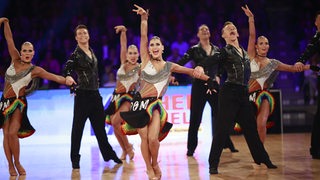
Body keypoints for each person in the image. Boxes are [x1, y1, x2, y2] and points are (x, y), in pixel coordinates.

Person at [120, 5, 217, 180]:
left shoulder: (169, 66)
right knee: (143, 138)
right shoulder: (145, 60)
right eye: (152, 45)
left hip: (155, 105)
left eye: (158, 44)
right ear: (148, 49)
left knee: (152, 139)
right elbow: (143, 36)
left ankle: (155, 162)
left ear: (163, 48)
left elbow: (191, 72)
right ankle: (149, 169)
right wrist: (144, 19)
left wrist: (209, 80)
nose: (154, 46)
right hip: (139, 104)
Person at [195, 17, 278, 174]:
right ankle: (213, 163)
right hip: (229, 94)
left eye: (233, 27)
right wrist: (200, 65)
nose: (232, 29)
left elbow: (253, 36)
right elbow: (212, 59)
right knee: (222, 130)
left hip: (243, 94)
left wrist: (251, 20)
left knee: (251, 129)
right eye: (228, 29)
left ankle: (263, 158)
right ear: (224, 36)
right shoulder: (225, 51)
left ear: (238, 33)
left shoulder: (245, 53)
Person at [0, 17, 74, 176]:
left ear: (33, 53)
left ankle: (18, 162)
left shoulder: (35, 70)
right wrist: (6, 22)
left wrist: (67, 80)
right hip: (4, 102)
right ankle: (10, 165)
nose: (27, 53)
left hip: (19, 103)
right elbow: (9, 39)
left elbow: (54, 77)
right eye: (24, 50)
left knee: (13, 133)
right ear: (20, 52)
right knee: (5, 134)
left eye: (30, 50)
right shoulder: (14, 58)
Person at [242, 5, 312, 143]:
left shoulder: (273, 63)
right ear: (256, 46)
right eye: (261, 43)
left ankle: (260, 152)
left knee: (261, 124)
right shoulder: (250, 56)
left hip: (264, 95)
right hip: (247, 96)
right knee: (250, 127)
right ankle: (256, 149)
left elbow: (292, 68)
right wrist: (251, 18)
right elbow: (251, 36)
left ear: (269, 46)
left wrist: (309, 66)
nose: (264, 45)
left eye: (266, 43)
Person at [63, 24, 122, 170]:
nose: (83, 35)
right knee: (77, 130)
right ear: (76, 38)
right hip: (82, 96)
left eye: (85, 33)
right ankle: (75, 159)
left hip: (95, 95)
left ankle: (109, 154)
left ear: (88, 36)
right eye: (80, 34)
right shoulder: (75, 54)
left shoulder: (91, 51)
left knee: (100, 130)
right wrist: (68, 76)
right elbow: (68, 67)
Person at [176, 24, 238, 157]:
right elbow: (181, 62)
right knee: (195, 118)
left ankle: (227, 143)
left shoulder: (217, 49)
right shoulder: (193, 50)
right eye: (201, 30)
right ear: (197, 35)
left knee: (220, 116)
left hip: (214, 86)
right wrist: (171, 72)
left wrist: (219, 75)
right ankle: (191, 148)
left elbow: (222, 66)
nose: (205, 31)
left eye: (207, 29)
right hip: (199, 86)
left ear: (210, 34)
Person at [104, 25, 140, 161]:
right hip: (116, 96)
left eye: (135, 53)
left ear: (138, 54)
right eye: (130, 53)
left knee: (115, 121)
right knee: (114, 124)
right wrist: (124, 32)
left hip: (128, 98)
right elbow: (123, 44)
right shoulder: (123, 63)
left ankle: (129, 148)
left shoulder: (140, 67)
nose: (132, 55)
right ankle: (126, 150)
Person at [294, 10, 320, 159]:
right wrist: (301, 60)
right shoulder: (317, 37)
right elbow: (310, 49)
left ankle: (315, 148)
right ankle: (315, 148)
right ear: (316, 23)